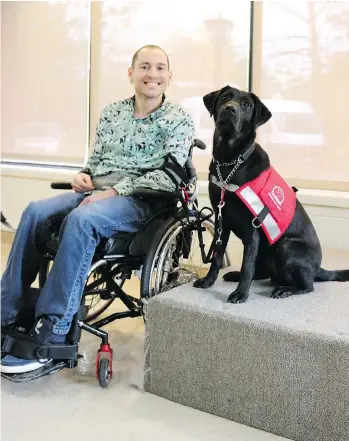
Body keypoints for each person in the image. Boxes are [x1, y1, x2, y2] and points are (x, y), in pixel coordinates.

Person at [1, 45, 195, 373]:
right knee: (36, 210)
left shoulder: (178, 119)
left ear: (169, 77)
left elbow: (172, 175)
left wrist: (116, 190)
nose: (153, 74)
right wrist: (84, 176)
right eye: (145, 66)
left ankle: (55, 329)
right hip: (99, 191)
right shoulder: (112, 113)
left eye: (160, 68)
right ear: (131, 73)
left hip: (143, 200)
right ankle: (7, 310)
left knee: (81, 220)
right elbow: (95, 162)